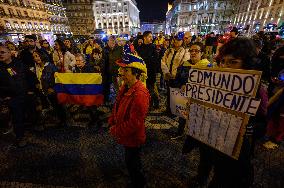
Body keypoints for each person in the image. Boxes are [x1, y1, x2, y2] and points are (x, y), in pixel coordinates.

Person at [109, 44, 150, 188]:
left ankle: (139, 183)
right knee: (130, 161)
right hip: (126, 136)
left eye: (125, 70)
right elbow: (118, 106)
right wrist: (112, 119)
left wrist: (116, 130)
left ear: (135, 73)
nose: (120, 72)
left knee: (133, 163)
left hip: (133, 138)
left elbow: (135, 122)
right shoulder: (125, 87)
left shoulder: (140, 94)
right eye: (121, 69)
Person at [171, 42, 211, 140]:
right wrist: (181, 85)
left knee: (198, 118)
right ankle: (180, 132)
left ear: (201, 53)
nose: (193, 53)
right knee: (182, 117)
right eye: (191, 50)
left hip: (200, 99)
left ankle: (196, 137)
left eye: (196, 51)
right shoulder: (184, 65)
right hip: (185, 98)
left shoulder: (208, 67)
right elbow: (176, 80)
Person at [161, 32, 190, 115]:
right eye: (175, 39)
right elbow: (163, 62)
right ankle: (169, 110)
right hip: (168, 76)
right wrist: (166, 72)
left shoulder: (185, 52)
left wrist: (176, 74)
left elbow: (184, 65)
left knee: (177, 95)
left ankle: (176, 111)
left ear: (182, 41)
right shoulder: (168, 51)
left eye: (179, 40)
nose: (176, 41)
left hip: (177, 78)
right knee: (169, 93)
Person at [263, 46, 284, 149]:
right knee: (273, 111)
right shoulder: (277, 55)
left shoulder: (277, 54)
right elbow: (273, 70)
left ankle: (277, 137)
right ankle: (272, 134)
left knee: (280, 114)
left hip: (278, 89)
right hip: (275, 88)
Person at [136, 31, 159, 109]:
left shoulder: (153, 47)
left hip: (151, 71)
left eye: (151, 36)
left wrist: (146, 59)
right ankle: (148, 103)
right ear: (144, 37)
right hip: (142, 72)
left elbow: (156, 59)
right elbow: (138, 59)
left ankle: (154, 102)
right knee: (144, 89)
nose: (151, 38)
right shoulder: (139, 47)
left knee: (151, 88)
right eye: (149, 36)